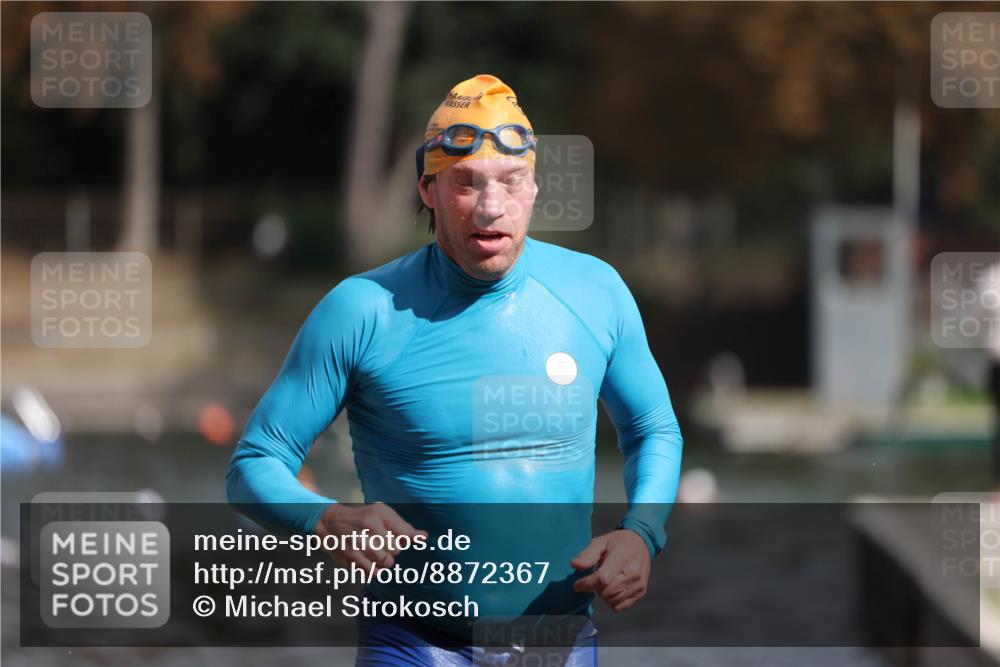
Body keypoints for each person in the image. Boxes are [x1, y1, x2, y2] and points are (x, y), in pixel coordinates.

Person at [227, 74, 683, 666]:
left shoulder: (596, 293)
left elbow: (653, 429)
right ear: (428, 189)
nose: (492, 208)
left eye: (510, 182)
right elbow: (253, 464)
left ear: (535, 187)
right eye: (466, 184)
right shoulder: (362, 310)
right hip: (415, 645)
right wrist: (328, 518)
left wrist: (641, 533)